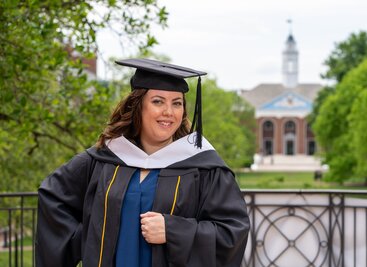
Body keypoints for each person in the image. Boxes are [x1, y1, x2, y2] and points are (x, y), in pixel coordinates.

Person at [35, 58, 250, 267]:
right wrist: (89, 235)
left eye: (177, 103)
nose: (168, 112)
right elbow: (53, 198)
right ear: (138, 106)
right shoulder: (105, 158)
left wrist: (173, 231)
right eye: (158, 101)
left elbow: (232, 232)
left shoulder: (204, 167)